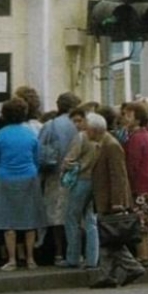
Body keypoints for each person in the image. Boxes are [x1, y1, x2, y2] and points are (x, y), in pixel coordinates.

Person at [87, 113, 145, 289]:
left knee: (112, 239)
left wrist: (117, 201)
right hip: (105, 198)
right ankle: (107, 275)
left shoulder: (111, 146)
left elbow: (118, 175)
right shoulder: (102, 144)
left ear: (94, 129)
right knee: (108, 238)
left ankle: (132, 267)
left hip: (111, 200)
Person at [0, 97, 45, 271]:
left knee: (8, 221)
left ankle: (12, 259)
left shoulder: (0, 135)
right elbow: (37, 158)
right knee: (30, 220)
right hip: (29, 176)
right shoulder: (30, 134)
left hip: (5, 177)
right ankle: (30, 259)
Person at [39, 92, 82, 266]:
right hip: (78, 173)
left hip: (55, 174)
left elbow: (40, 150)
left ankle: (59, 253)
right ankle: (76, 251)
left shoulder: (50, 125)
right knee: (76, 215)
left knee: (56, 215)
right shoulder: (79, 124)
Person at [60, 105, 100, 269]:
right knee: (91, 220)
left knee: (72, 218)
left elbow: (70, 160)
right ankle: (93, 258)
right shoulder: (102, 139)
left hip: (81, 180)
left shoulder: (81, 137)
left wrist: (64, 167)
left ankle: (73, 257)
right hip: (95, 181)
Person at [122, 101, 148, 266]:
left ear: (138, 119)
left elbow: (132, 164)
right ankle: (147, 253)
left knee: (140, 221)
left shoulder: (136, 138)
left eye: (128, 115)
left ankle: (142, 255)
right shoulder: (146, 135)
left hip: (140, 185)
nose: (124, 118)